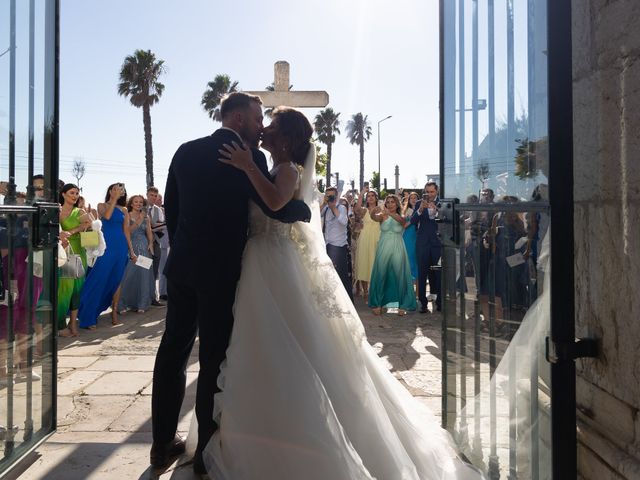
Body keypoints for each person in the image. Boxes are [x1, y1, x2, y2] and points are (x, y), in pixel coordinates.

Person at [193, 106, 483, 480]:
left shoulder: (285, 169)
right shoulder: (273, 164)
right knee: (265, 341)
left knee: (280, 339)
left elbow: (277, 203)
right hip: (263, 259)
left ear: (285, 137)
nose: (264, 128)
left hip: (272, 260)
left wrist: (247, 166)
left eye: (272, 125)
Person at [150, 93, 311, 473]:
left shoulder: (185, 152)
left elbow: (172, 211)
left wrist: (186, 251)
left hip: (184, 268)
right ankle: (206, 452)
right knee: (213, 359)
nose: (261, 127)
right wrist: (304, 209)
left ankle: (160, 445)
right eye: (258, 120)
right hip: (221, 273)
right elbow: (276, 205)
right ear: (238, 119)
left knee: (172, 350)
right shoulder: (249, 159)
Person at [78, 184, 132, 329]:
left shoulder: (125, 209)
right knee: (98, 278)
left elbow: (126, 231)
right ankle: (88, 316)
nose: (117, 192)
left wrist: (131, 250)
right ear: (109, 191)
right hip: (105, 247)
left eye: (120, 190)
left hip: (120, 247)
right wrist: (113, 200)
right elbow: (107, 216)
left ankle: (113, 311)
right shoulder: (101, 205)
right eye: (114, 189)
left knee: (115, 280)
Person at [368, 194, 417, 315]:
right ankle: (378, 303)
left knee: (400, 274)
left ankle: (403, 305)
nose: (390, 204)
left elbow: (401, 221)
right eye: (388, 202)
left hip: (398, 247)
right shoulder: (382, 216)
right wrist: (374, 210)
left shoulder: (402, 216)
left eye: (392, 202)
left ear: (397, 204)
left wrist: (389, 213)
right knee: (381, 273)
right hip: (384, 246)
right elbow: (374, 217)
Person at [57, 184, 92, 336]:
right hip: (62, 252)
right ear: (63, 194)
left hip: (77, 252)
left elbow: (89, 224)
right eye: (72, 193)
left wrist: (72, 231)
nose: (75, 195)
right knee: (65, 290)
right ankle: (60, 326)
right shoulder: (57, 210)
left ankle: (73, 324)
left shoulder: (80, 211)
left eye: (77, 193)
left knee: (76, 290)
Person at [117, 195, 155, 314]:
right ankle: (122, 304)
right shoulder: (127, 214)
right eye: (136, 202)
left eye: (140, 202)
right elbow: (128, 231)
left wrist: (150, 244)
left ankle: (142, 304)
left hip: (144, 248)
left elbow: (149, 232)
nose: (138, 204)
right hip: (130, 247)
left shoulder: (146, 217)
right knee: (128, 276)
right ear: (131, 204)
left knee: (144, 276)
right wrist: (139, 219)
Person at [411, 181, 442, 313]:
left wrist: (437, 212)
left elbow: (447, 221)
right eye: (427, 192)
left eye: (432, 192)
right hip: (422, 244)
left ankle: (440, 302)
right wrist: (420, 210)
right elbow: (413, 222)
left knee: (439, 273)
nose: (429, 194)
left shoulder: (442, 203)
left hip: (437, 244)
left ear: (437, 191)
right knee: (422, 273)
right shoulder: (419, 203)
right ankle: (422, 303)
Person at [320, 186, 353, 300]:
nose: (330, 198)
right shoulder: (326, 208)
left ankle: (347, 302)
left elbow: (344, 222)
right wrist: (324, 204)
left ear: (336, 196)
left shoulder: (342, 207)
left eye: (332, 196)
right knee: (330, 276)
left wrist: (334, 208)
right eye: (327, 196)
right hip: (328, 246)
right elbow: (316, 215)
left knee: (342, 277)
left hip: (339, 247)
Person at [354, 186, 381, 299]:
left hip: (377, 238)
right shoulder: (364, 210)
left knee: (376, 264)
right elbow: (356, 209)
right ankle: (365, 292)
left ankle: (376, 292)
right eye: (368, 196)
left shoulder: (381, 209)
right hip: (365, 239)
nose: (370, 198)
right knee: (364, 264)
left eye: (372, 196)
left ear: (376, 198)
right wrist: (361, 194)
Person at [146, 187, 166, 306]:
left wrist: (156, 226)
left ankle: (153, 298)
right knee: (143, 269)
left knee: (154, 271)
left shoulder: (158, 210)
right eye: (151, 195)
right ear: (147, 195)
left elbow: (160, 224)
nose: (153, 197)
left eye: (155, 195)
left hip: (156, 242)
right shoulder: (141, 206)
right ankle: (143, 297)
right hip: (143, 244)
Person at [402, 191, 420, 281]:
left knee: (417, 259)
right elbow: (403, 225)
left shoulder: (421, 209)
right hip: (408, 236)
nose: (413, 200)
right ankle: (409, 281)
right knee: (409, 257)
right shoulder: (407, 211)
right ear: (408, 200)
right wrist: (410, 219)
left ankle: (417, 280)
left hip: (419, 236)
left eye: (415, 198)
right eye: (411, 198)